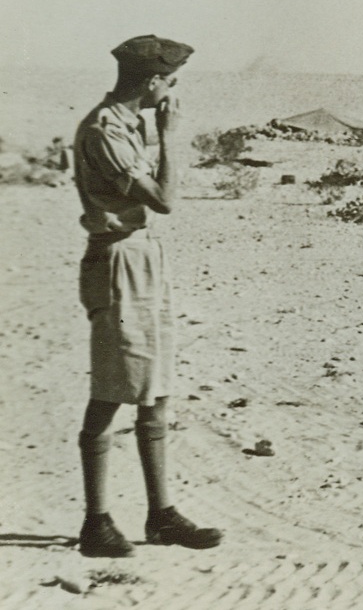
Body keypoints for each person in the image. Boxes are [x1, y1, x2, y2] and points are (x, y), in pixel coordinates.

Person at [72, 35, 223, 558]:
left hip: (141, 257)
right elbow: (164, 199)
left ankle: (162, 516)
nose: (172, 91)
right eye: (170, 81)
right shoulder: (104, 129)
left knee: (155, 388)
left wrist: (156, 134)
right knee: (112, 388)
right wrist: (168, 137)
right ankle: (96, 523)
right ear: (152, 80)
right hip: (118, 262)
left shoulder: (126, 124)